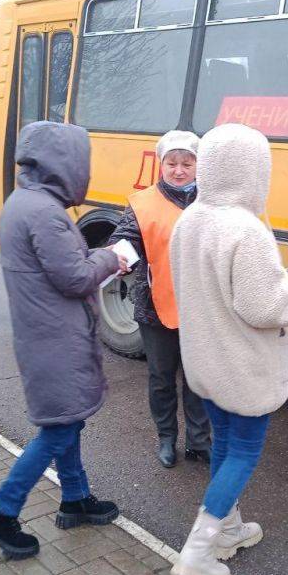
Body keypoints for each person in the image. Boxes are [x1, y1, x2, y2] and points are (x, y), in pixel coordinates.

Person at [168, 123, 288, 575]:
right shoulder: (246, 230)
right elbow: (265, 307)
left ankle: (228, 530)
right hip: (242, 365)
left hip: (205, 358)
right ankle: (197, 551)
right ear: (253, 171)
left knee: (224, 442)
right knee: (242, 452)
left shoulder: (191, 218)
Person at [0, 121, 126, 559]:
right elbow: (75, 277)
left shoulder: (27, 202)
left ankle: (75, 499)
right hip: (56, 339)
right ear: (66, 164)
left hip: (45, 335)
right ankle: (0, 516)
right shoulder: (44, 213)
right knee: (59, 429)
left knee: (66, 421)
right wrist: (111, 256)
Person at [109, 130, 210, 468]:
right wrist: (118, 258)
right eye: (172, 163)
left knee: (198, 380)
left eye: (187, 163)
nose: (179, 170)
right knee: (162, 378)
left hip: (201, 309)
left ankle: (199, 441)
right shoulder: (142, 202)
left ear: (198, 165)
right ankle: (167, 438)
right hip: (155, 307)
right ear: (161, 164)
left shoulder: (212, 202)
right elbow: (126, 239)